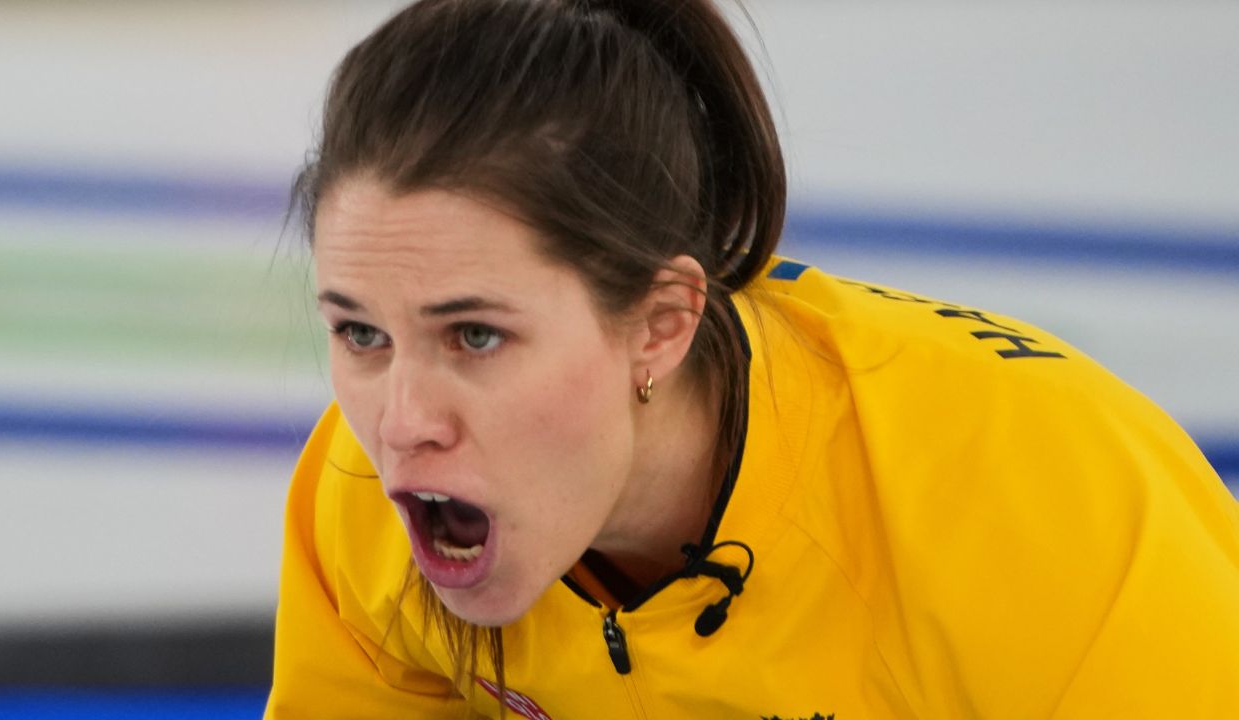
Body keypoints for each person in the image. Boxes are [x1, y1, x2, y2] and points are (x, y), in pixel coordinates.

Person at [263, 1, 1239, 718]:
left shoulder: (1037, 512)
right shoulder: (366, 507)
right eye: (361, 334)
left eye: (476, 335)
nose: (401, 424)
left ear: (660, 324)